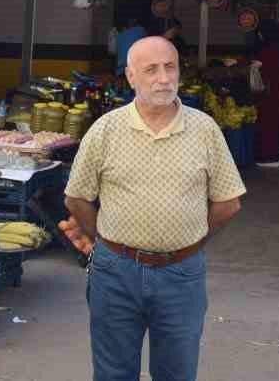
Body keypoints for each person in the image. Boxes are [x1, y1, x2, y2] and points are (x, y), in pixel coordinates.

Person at [63, 37, 245, 381]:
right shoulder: (106, 130)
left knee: (177, 372)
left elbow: (229, 202)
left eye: (170, 67)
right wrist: (102, 240)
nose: (163, 78)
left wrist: (192, 237)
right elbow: (76, 197)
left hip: (182, 274)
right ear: (131, 77)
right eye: (151, 70)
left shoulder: (204, 129)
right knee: (113, 373)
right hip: (114, 272)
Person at [253, 22, 279, 166]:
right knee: (276, 121)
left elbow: (257, 65)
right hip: (277, 91)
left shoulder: (267, 50)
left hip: (268, 93)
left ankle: (270, 157)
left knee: (267, 124)